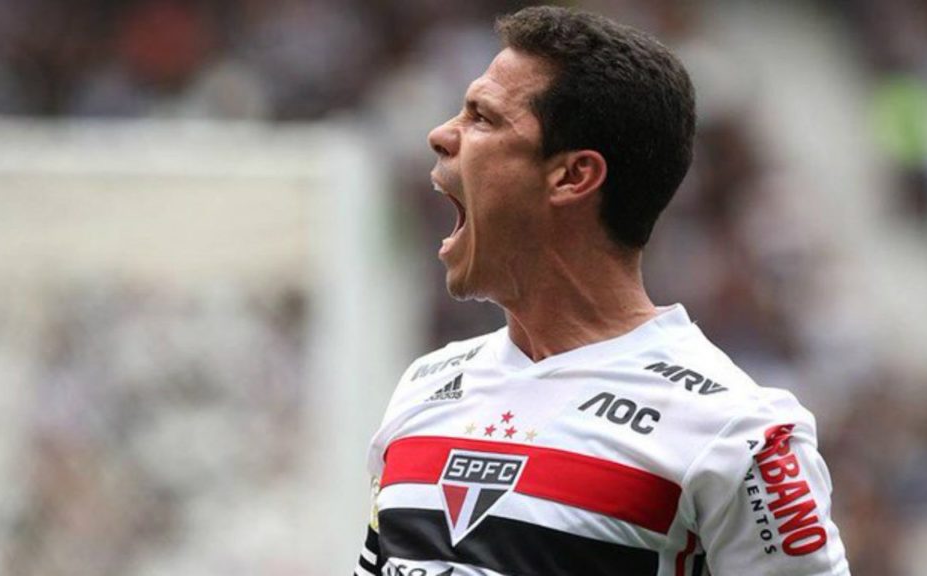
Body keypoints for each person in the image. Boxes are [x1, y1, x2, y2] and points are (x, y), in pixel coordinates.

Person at [353, 6, 849, 576]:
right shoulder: (425, 387)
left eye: (482, 118)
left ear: (572, 176)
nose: (440, 135)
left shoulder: (737, 433)